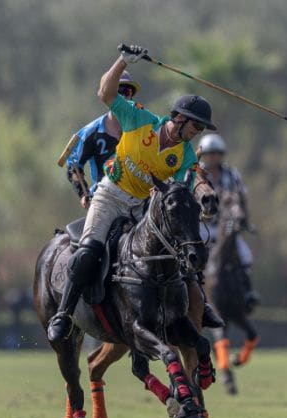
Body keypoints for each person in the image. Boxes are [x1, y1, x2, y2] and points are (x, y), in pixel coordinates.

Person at [47, 44, 217, 343]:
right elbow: (105, 94)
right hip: (110, 196)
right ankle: (64, 312)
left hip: (142, 207)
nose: (198, 131)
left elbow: (183, 186)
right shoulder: (140, 120)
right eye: (196, 124)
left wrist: (203, 197)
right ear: (178, 118)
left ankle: (197, 306)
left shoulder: (185, 156)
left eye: (202, 128)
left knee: (178, 256)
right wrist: (122, 62)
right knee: (89, 251)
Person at [198, 133, 261, 308]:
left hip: (225, 227)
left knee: (245, 255)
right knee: (189, 255)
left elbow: (241, 198)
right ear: (203, 155)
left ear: (221, 155)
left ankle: (247, 292)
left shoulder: (232, 174)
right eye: (209, 153)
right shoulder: (196, 173)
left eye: (216, 153)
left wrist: (245, 221)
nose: (212, 157)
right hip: (201, 226)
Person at [65, 71, 142, 209]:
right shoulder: (91, 132)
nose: (122, 97)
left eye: (127, 91)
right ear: (107, 96)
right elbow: (73, 165)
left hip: (140, 199)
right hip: (105, 200)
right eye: (117, 92)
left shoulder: (144, 127)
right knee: (92, 232)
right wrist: (84, 194)